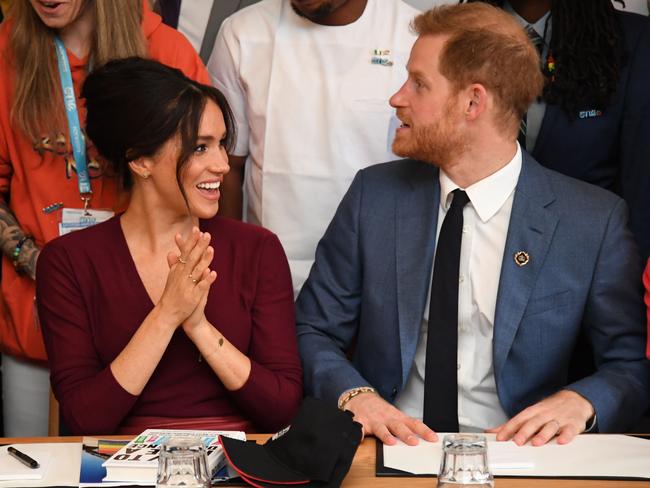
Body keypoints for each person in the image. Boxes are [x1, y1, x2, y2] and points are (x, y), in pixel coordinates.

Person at [296, 3, 650, 448]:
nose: (397, 98)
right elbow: (314, 329)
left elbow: (631, 365)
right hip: (388, 453)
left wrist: (582, 401)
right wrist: (356, 396)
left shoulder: (592, 222)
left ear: (473, 101)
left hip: (522, 461)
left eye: (419, 84)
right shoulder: (374, 197)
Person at [36, 57, 303, 435]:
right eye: (200, 148)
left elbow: (281, 409)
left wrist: (200, 328)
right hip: (119, 466)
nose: (223, 164)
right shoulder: (69, 262)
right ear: (141, 159)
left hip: (239, 462)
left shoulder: (257, 250)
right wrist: (166, 315)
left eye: (222, 144)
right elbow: (83, 419)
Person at [0, 0, 209, 436]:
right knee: (35, 469)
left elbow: (201, 171)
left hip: (150, 312)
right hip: (32, 315)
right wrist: (35, 259)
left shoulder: (166, 51)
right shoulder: (7, 52)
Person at [209, 0, 419, 294]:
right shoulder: (243, 33)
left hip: (380, 276)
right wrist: (229, 272)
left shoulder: (413, 34)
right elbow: (226, 165)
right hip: (271, 276)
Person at [463, 0, 650, 260]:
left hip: (582, 266)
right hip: (471, 258)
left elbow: (640, 193)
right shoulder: (457, 34)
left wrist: (628, 289)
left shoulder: (631, 42)